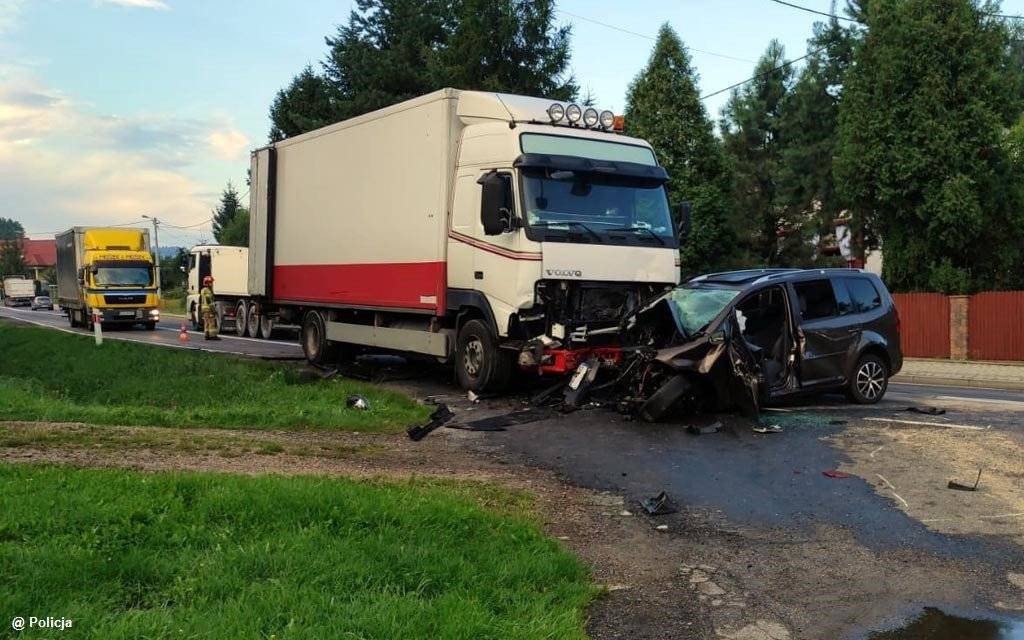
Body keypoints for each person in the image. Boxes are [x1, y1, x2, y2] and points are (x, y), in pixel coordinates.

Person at [200, 276, 219, 340]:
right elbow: (209, 301)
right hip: (208, 309)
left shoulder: (203, 290)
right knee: (211, 322)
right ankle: (213, 336)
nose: (212, 284)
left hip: (204, 309)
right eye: (211, 282)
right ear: (207, 283)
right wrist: (213, 310)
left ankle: (207, 335)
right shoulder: (207, 291)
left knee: (206, 322)